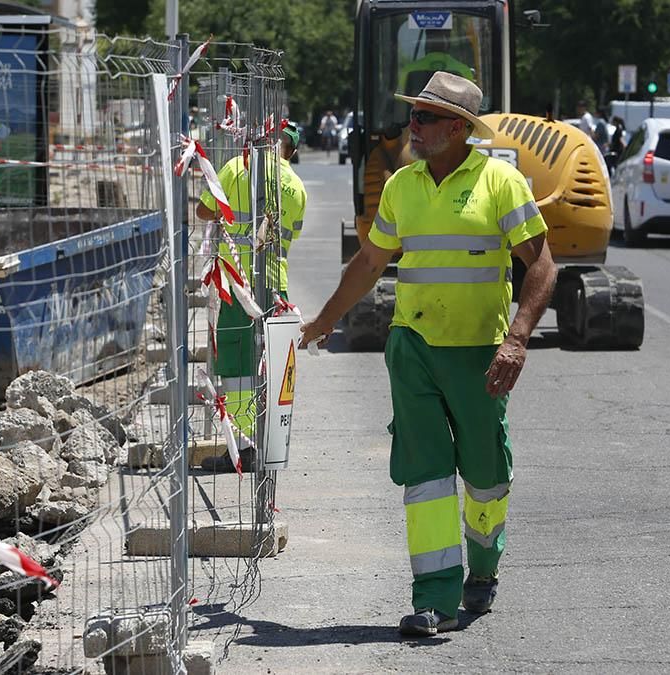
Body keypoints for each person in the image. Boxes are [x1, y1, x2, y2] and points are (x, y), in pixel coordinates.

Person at [298, 71, 557, 637]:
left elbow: (540, 264)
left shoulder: (501, 183)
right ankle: (434, 599)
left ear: (460, 128)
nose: (412, 125)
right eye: (413, 114)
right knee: (427, 477)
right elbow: (370, 263)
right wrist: (324, 320)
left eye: (426, 117)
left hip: (479, 352)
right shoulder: (402, 185)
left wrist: (517, 338)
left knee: (485, 477)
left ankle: (482, 570)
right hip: (412, 346)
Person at [196, 122, 307, 472]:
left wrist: (227, 217)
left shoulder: (237, 167)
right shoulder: (296, 186)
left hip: (235, 285)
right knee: (272, 366)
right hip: (276, 285)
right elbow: (293, 234)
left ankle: (245, 448)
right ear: (293, 150)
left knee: (237, 365)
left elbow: (203, 209)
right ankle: (272, 444)